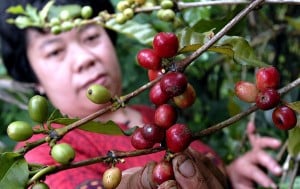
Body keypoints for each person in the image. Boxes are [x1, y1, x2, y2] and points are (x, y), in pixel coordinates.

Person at [0, 0, 282, 188]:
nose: (83, 58)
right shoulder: (41, 154)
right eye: (55, 52)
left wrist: (232, 173)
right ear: (32, 77)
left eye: (90, 37)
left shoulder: (154, 115)